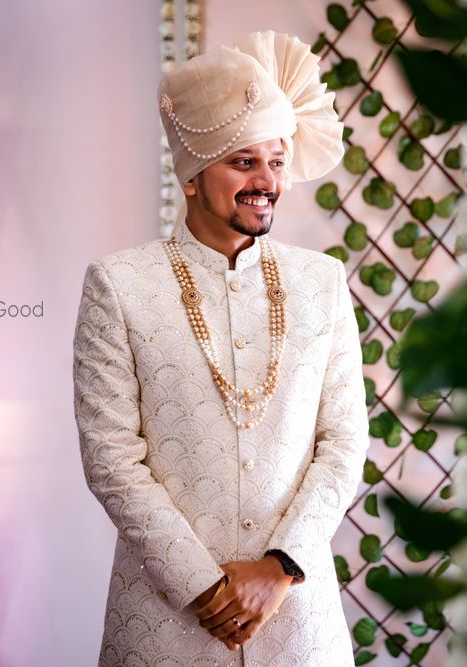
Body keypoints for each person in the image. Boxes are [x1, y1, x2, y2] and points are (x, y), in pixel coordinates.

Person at [72, 30, 369, 666]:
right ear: (190, 177)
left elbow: (344, 444)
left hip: (296, 626)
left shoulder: (322, 283)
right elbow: (111, 458)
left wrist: (279, 568)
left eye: (277, 161)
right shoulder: (121, 285)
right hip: (165, 624)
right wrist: (205, 588)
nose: (268, 181)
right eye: (243, 162)